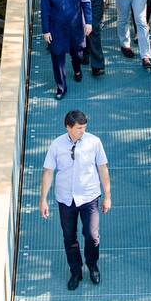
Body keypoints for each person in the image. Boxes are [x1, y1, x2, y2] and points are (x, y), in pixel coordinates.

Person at [40, 109, 111, 289]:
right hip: (65, 199)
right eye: (79, 128)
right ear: (68, 127)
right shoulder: (56, 145)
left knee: (92, 235)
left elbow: (103, 168)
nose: (82, 131)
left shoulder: (94, 142)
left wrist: (107, 196)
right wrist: (43, 199)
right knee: (69, 237)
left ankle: (92, 265)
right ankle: (76, 272)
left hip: (89, 197)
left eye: (84, 127)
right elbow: (48, 171)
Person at [40, 0, 93, 99]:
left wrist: (88, 22)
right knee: (57, 58)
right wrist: (46, 30)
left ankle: (77, 69)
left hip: (76, 28)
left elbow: (86, 2)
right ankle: (61, 87)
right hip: (56, 29)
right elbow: (45, 10)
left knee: (78, 54)